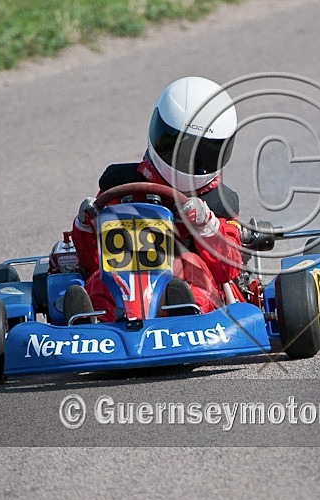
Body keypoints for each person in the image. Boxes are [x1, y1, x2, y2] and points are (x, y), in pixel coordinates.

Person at [67, 76, 243, 322]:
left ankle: (185, 312)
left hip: (184, 285)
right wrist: (85, 226)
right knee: (102, 277)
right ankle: (89, 321)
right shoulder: (119, 185)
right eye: (177, 148)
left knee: (190, 265)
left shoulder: (219, 203)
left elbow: (228, 270)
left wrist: (205, 227)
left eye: (201, 153)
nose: (187, 161)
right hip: (123, 287)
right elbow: (90, 263)